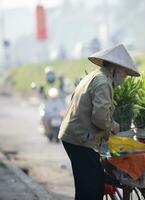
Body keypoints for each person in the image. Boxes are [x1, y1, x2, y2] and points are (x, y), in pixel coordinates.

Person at [58, 44, 140, 200]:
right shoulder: (103, 82)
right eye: (124, 72)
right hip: (81, 139)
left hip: (74, 136)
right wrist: (115, 127)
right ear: (115, 67)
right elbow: (100, 118)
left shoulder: (95, 76)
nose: (125, 76)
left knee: (88, 184)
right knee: (91, 188)